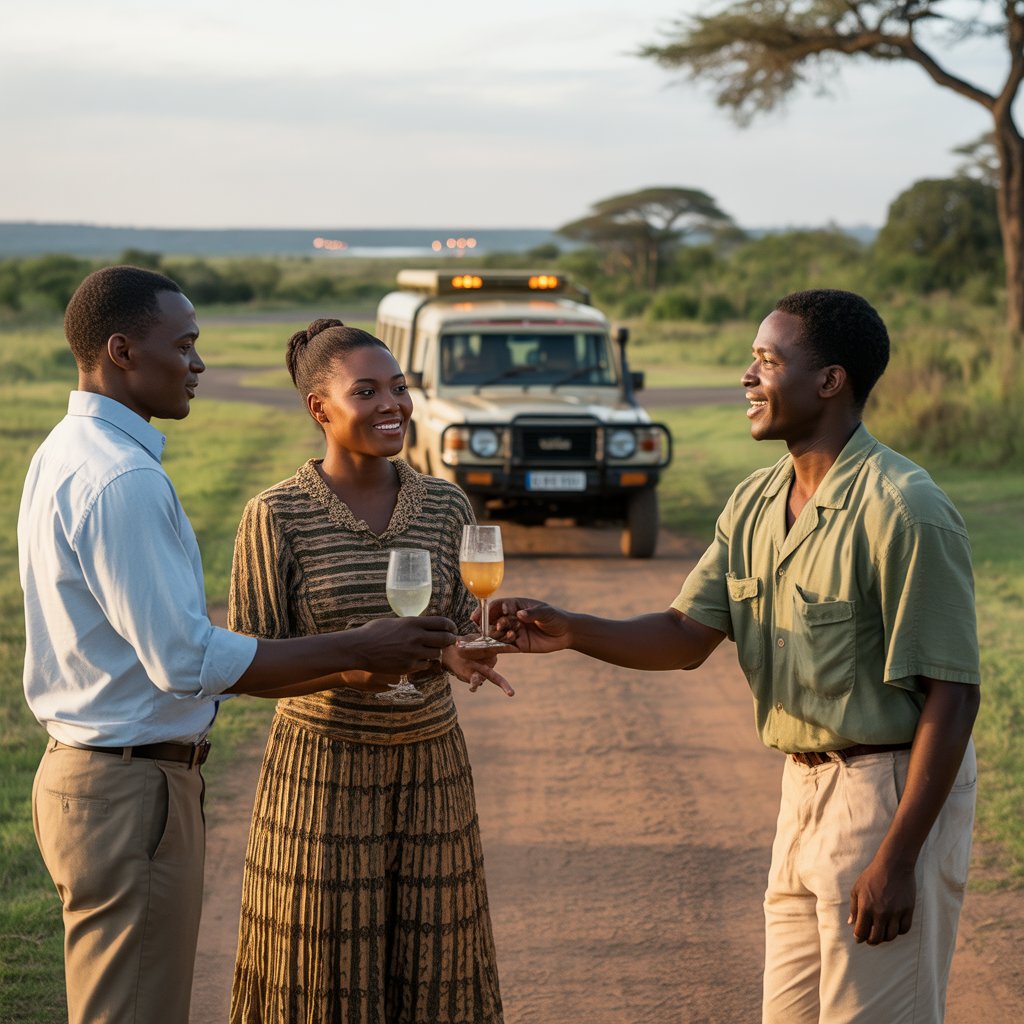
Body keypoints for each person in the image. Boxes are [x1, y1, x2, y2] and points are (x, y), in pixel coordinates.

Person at [494, 289, 980, 1024]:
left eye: (766, 361)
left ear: (830, 381)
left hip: (887, 794)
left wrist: (900, 857)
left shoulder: (905, 509)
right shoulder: (755, 501)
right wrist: (571, 628)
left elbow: (954, 694)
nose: (747, 379)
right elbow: (687, 636)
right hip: (801, 796)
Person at [18, 267, 472, 1024]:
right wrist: (357, 649)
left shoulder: (69, 451)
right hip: (128, 789)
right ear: (123, 351)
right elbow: (187, 661)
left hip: (102, 780)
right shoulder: (123, 477)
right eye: (186, 345)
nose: (198, 365)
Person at [227, 318, 508, 1024]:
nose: (394, 405)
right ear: (321, 408)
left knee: (436, 967)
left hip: (431, 770)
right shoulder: (276, 515)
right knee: (319, 971)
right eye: (368, 391)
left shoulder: (446, 506)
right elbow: (248, 668)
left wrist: (456, 653)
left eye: (400, 388)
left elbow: (442, 627)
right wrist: (355, 668)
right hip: (321, 775)